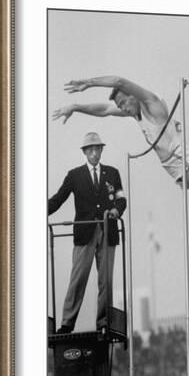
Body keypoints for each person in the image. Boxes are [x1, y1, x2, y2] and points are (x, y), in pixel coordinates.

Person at [53, 76, 189, 211]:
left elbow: (120, 81)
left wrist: (89, 83)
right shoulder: (135, 114)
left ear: (132, 96)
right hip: (179, 163)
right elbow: (103, 110)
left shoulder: (152, 105)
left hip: (181, 162)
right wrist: (74, 106)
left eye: (123, 103)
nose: (122, 108)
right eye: (119, 106)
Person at [48, 132, 127, 334]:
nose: (94, 153)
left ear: (101, 150)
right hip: (84, 233)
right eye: (90, 149)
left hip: (108, 231)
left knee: (106, 281)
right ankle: (67, 323)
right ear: (85, 152)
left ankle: (104, 323)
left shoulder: (113, 173)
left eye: (97, 148)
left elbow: (121, 199)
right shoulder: (74, 175)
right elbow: (58, 199)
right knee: (78, 278)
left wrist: (116, 210)